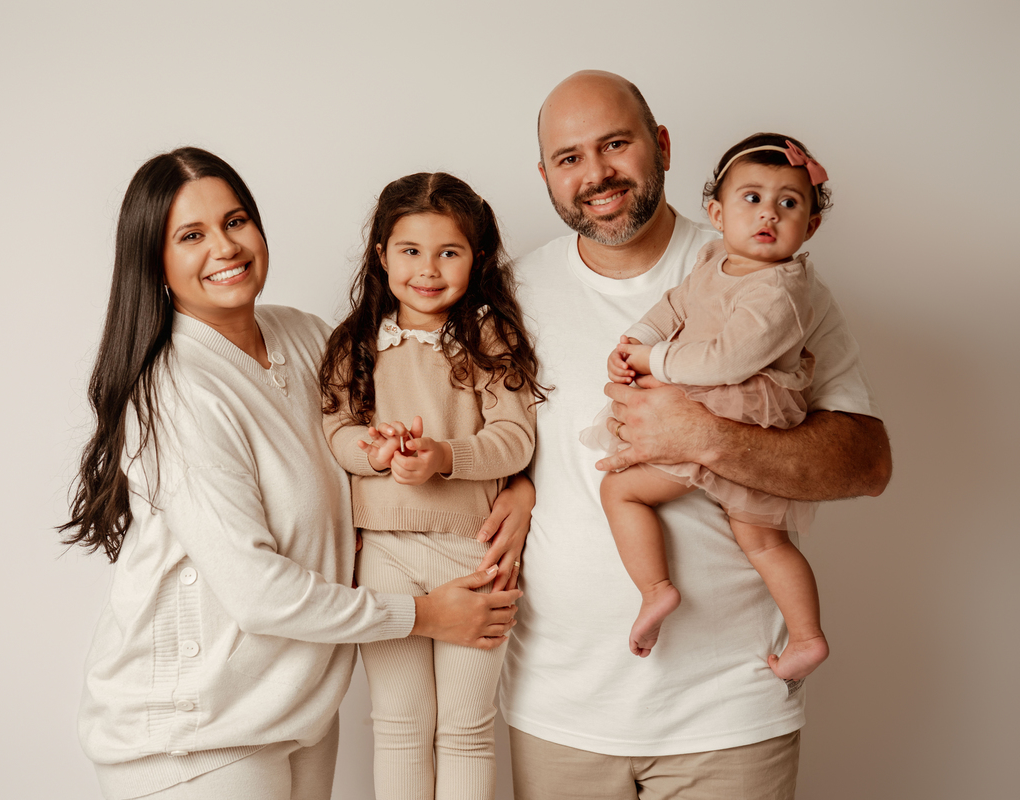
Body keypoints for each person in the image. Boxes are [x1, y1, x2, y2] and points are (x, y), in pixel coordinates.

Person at [60, 148, 525, 800]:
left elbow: (427, 422)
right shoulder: (177, 391)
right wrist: (422, 614)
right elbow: (257, 592)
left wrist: (519, 487)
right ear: (154, 262)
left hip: (294, 713)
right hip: (196, 737)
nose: (224, 246)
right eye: (191, 235)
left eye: (236, 220)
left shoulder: (307, 339)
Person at [499, 71, 892, 800]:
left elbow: (867, 464)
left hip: (729, 714)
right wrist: (518, 489)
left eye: (617, 144)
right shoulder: (514, 293)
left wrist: (704, 436)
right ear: (547, 175)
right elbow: (491, 443)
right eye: (569, 157)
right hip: (561, 707)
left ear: (663, 145)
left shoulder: (772, 278)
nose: (597, 173)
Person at [319, 172, 544, 800]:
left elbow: (515, 439)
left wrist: (445, 455)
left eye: (449, 251)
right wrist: (374, 450)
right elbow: (334, 431)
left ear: (478, 257)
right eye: (410, 251)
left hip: (472, 553)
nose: (428, 268)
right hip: (384, 554)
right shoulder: (355, 344)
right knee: (397, 726)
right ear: (381, 255)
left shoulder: (488, 339)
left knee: (468, 730)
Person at [582, 133, 835, 681]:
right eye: (752, 198)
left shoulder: (781, 290)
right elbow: (675, 303)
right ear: (717, 213)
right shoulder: (715, 259)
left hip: (737, 413)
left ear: (810, 226)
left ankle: (656, 590)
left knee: (621, 489)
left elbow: (726, 360)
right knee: (761, 538)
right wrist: (634, 341)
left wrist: (654, 359)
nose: (768, 213)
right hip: (716, 405)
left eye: (789, 203)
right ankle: (807, 638)